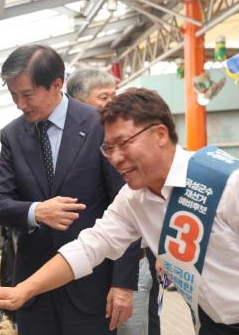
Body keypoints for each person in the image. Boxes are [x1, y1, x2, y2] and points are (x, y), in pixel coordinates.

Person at [0, 88, 239, 335]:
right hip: (216, 323)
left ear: (160, 134)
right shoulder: (134, 198)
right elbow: (89, 247)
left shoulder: (231, 181)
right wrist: (23, 291)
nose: (114, 158)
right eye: (108, 147)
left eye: (124, 144)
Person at [0, 45, 140, 334]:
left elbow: (127, 207)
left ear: (57, 84)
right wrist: (36, 211)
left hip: (92, 286)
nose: (20, 104)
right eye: (14, 96)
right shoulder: (12, 134)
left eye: (27, 94)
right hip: (33, 288)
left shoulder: (99, 125)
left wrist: (122, 283)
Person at [67, 69, 157, 335]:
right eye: (104, 97)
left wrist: (124, 282)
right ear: (78, 103)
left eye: (114, 96)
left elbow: (131, 211)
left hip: (129, 266)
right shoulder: (80, 146)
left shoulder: (121, 144)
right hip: (92, 266)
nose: (112, 105)